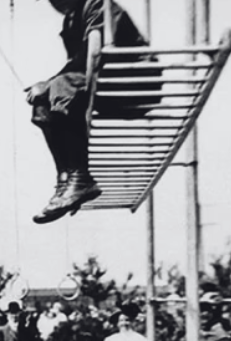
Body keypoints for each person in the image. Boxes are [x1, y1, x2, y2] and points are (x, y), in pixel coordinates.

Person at [28, 0, 155, 224]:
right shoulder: (70, 21)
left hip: (136, 81)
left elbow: (90, 56)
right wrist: (45, 87)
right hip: (106, 82)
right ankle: (67, 182)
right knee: (42, 103)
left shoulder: (96, 4)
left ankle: (79, 179)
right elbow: (78, 68)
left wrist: (49, 84)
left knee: (60, 86)